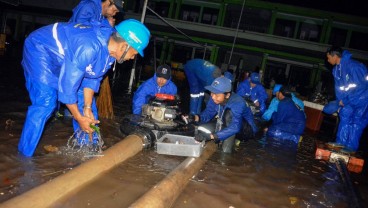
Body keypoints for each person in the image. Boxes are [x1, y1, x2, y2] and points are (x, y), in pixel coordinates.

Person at [18, 19, 150, 157]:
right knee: (46, 103)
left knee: (87, 106)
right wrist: (78, 118)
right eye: (134, 54)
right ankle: (23, 156)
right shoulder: (88, 47)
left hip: (67, 57)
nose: (132, 58)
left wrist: (86, 108)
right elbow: (67, 90)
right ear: (125, 46)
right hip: (40, 49)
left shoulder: (110, 53)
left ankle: (86, 149)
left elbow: (92, 78)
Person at [192, 77, 257, 153]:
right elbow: (208, 113)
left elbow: (235, 127)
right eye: (212, 93)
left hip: (246, 130)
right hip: (226, 122)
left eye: (217, 94)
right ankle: (224, 137)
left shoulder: (238, 103)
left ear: (227, 95)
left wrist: (212, 136)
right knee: (202, 129)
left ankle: (226, 152)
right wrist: (195, 117)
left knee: (228, 115)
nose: (213, 97)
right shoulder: (214, 98)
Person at [326, 46, 368, 151]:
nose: (327, 60)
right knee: (344, 116)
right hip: (348, 100)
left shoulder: (355, 66)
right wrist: (340, 102)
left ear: (335, 56)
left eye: (328, 57)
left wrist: (345, 100)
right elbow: (339, 89)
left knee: (357, 122)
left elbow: (361, 87)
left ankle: (351, 147)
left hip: (363, 99)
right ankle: (340, 142)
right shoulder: (336, 70)